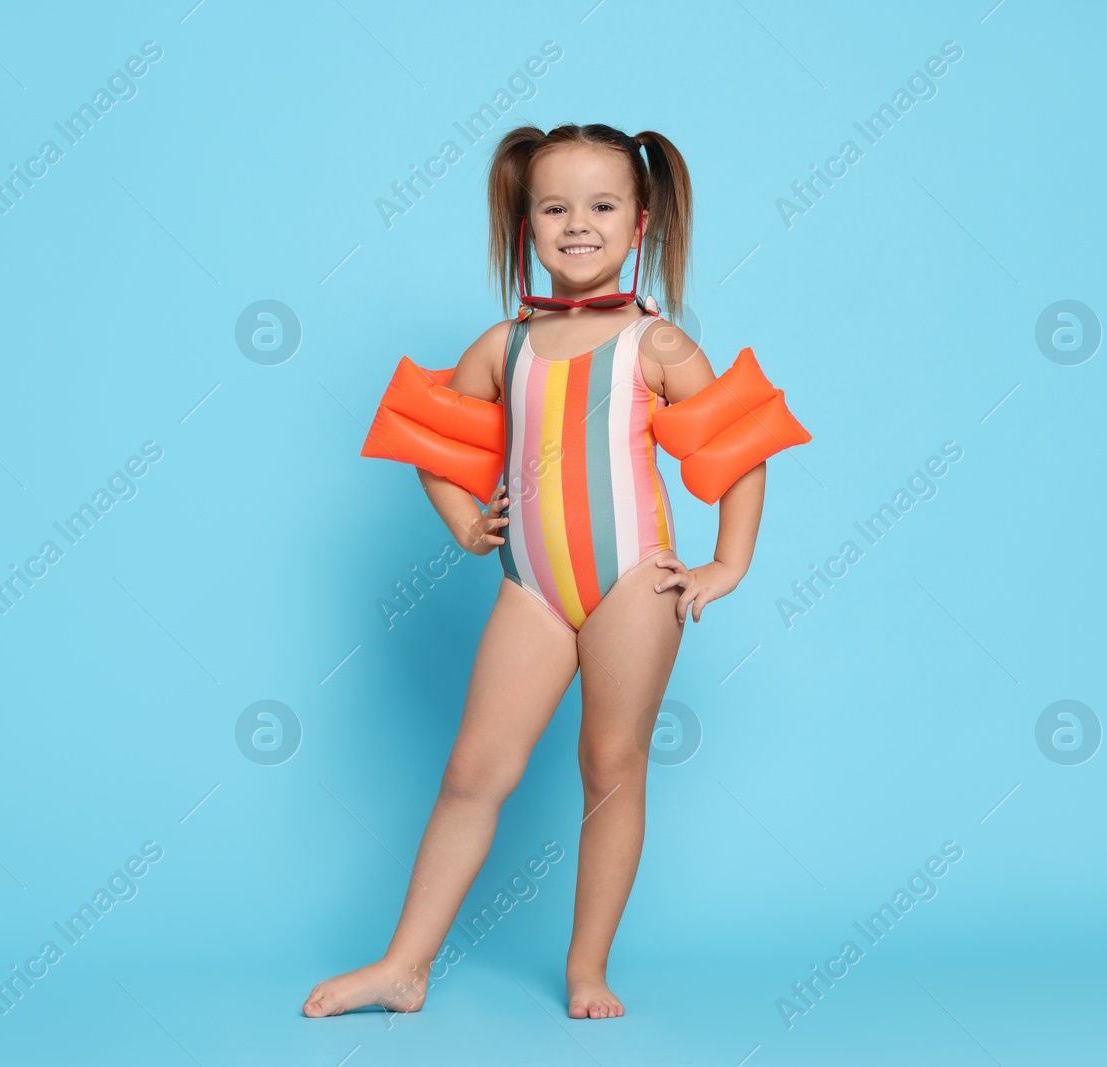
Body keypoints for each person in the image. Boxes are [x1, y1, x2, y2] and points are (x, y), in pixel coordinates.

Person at [307, 122, 807, 1021]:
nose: (579, 224)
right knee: (471, 771)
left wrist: (727, 562)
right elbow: (434, 434)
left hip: (633, 586)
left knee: (609, 764)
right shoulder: (506, 345)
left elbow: (741, 446)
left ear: (641, 221)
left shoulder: (657, 347)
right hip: (530, 589)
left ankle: (587, 969)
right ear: (525, 223)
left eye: (602, 206)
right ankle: (403, 965)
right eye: (555, 207)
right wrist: (466, 520)